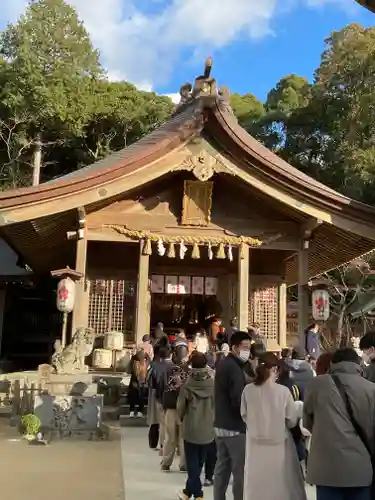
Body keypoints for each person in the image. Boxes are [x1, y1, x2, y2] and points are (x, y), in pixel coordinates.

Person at [303, 348, 375, 500]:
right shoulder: (370, 389)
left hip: (326, 469)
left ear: (333, 364)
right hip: (360, 469)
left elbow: (308, 422)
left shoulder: (316, 384)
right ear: (358, 364)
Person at [241, 352, 307, 500]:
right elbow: (291, 420)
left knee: (256, 485)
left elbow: (244, 415)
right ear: (275, 369)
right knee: (280, 485)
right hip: (279, 444)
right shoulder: (283, 392)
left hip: (255, 444)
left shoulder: (248, 390)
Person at [213, 330, 251, 500]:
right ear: (235, 347)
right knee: (239, 471)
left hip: (220, 424)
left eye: (249, 347)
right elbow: (237, 399)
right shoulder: (235, 369)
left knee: (222, 468)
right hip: (235, 427)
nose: (247, 351)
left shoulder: (222, 364)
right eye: (245, 347)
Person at [177, 352, 215, 500]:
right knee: (199, 462)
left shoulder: (188, 384)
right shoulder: (213, 383)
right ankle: (187, 492)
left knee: (192, 464)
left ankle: (198, 494)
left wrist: (181, 419)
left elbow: (181, 407)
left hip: (191, 426)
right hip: (208, 427)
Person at [161, 343, 189, 472]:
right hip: (183, 407)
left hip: (172, 406)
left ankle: (167, 462)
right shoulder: (189, 369)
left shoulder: (167, 368)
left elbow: (162, 386)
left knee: (170, 436)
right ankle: (183, 464)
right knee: (182, 437)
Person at [127, 349, 149, 418]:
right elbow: (149, 359)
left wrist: (133, 356)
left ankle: (132, 411)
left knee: (132, 398)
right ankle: (140, 411)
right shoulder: (145, 364)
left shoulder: (133, 363)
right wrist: (146, 355)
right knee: (141, 398)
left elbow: (128, 371)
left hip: (133, 383)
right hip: (142, 384)